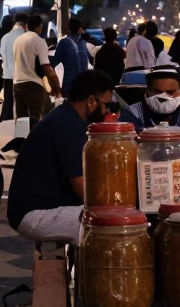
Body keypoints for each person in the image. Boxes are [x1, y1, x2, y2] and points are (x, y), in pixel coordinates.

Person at [7, 70, 114, 245]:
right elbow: (81, 186)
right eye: (105, 105)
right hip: (36, 214)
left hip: (45, 208)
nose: (106, 112)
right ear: (91, 101)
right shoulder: (67, 125)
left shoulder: (68, 117)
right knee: (114, 227)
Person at [119, 66, 180, 135]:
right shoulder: (132, 113)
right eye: (157, 91)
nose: (163, 97)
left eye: (170, 92)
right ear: (147, 91)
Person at [13, 14, 62, 126]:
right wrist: (56, 87)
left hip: (17, 84)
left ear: (26, 26)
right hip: (33, 86)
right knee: (37, 121)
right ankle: (36, 143)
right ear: (40, 27)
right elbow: (46, 68)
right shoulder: (39, 41)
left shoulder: (18, 41)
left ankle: (22, 143)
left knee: (22, 123)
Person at [0, 11, 28, 121]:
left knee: (8, 105)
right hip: (22, 76)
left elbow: (2, 55)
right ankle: (21, 133)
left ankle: (6, 127)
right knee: (22, 109)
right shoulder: (26, 36)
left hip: (7, 75)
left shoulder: (5, 37)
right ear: (26, 23)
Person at [53, 17, 91, 97]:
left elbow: (53, 63)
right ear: (80, 29)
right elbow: (91, 60)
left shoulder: (63, 42)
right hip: (84, 87)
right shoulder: (84, 43)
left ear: (68, 28)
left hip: (69, 88)